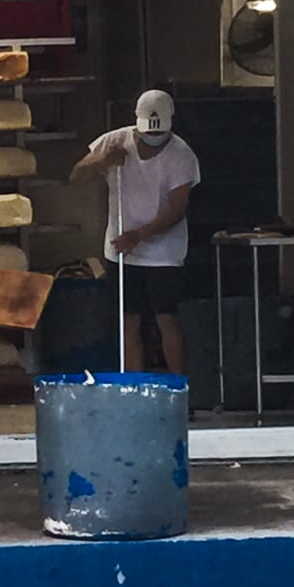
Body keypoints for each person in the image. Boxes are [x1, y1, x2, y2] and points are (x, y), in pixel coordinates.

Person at [70, 89, 200, 378]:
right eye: (147, 135)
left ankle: (179, 389)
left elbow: (177, 209)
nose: (153, 142)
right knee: (128, 322)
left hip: (163, 254)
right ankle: (135, 388)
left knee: (166, 318)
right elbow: (76, 176)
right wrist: (100, 160)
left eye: (159, 135)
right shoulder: (114, 141)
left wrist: (139, 235)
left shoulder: (181, 155)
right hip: (120, 251)